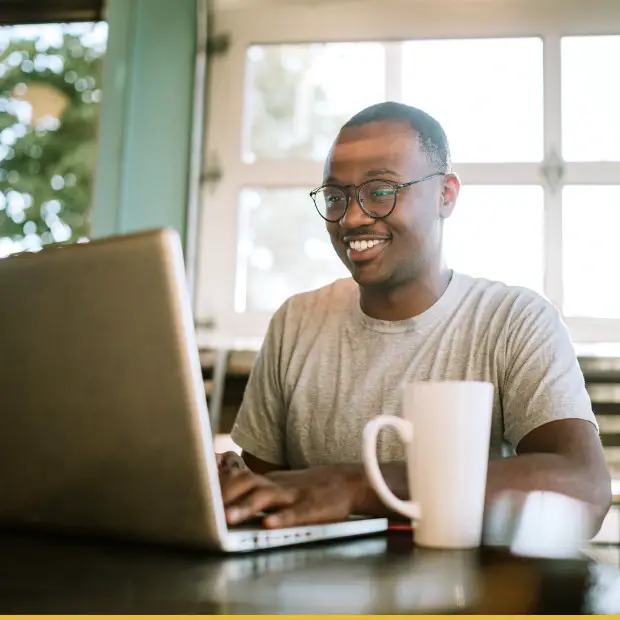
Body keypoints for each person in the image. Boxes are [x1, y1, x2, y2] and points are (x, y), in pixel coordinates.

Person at [218, 101, 611, 532]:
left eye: (380, 191)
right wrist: (231, 488)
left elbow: (583, 487)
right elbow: (266, 495)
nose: (351, 217)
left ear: (446, 195)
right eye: (335, 197)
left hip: (459, 595)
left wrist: (354, 485)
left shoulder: (514, 321)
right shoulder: (296, 322)